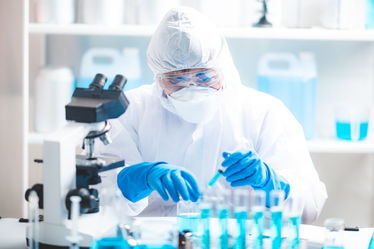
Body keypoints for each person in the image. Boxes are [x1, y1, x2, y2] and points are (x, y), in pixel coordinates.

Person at [100, 7, 327, 223]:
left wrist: (271, 184)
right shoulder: (129, 110)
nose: (191, 90)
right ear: (158, 76)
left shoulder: (264, 112)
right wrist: (137, 179)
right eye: (176, 80)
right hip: (155, 241)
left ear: (223, 67)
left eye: (204, 77)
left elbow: (310, 208)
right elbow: (100, 201)